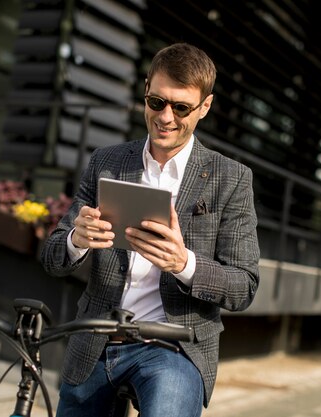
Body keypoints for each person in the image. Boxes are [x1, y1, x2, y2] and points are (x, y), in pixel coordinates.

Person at [41, 42, 260, 417]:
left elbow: (244, 286)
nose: (166, 117)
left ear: (204, 107)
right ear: (145, 91)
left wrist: (184, 264)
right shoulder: (107, 162)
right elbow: (52, 258)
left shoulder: (231, 178)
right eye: (156, 102)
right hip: (97, 339)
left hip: (173, 346)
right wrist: (76, 240)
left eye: (181, 107)